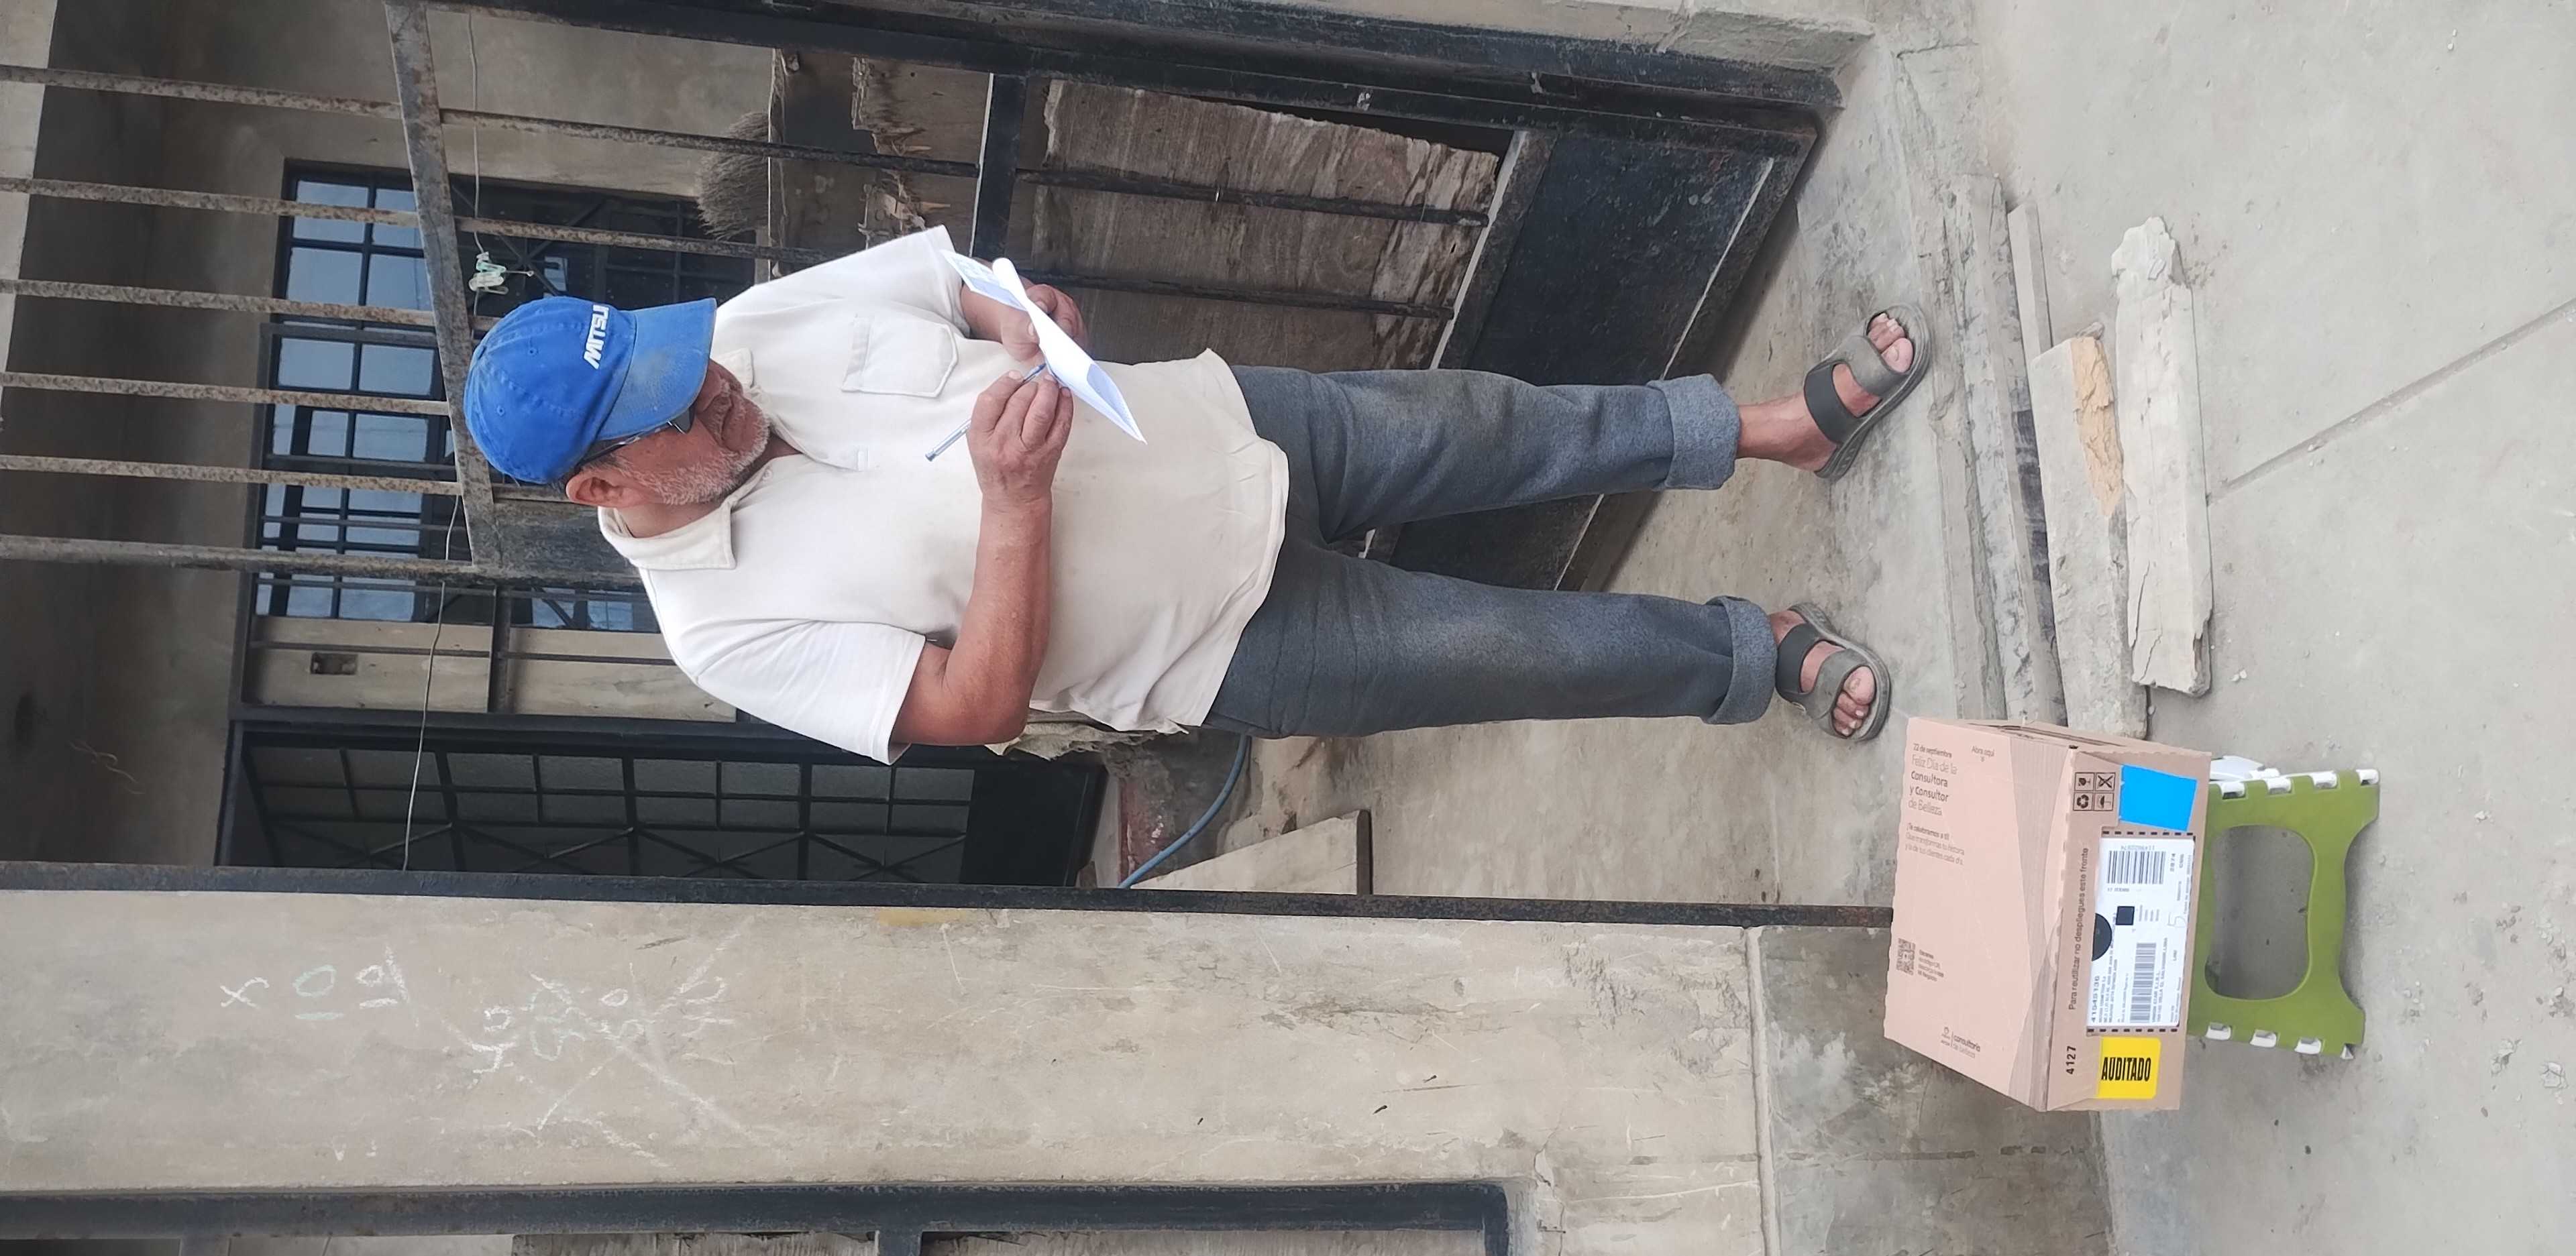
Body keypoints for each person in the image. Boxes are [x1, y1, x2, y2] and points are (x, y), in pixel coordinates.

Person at [462, 227, 1923, 766]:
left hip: (1220, 424)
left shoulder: (743, 331)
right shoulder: (719, 629)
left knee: (1502, 426)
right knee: (1522, 652)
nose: (718, 384)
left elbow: (944, 285)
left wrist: (1019, 310)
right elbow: (973, 709)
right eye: (676, 408)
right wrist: (1014, 506)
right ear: (603, 484)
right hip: (1223, 641)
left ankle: (1773, 430)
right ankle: (1751, 655)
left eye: (688, 358)